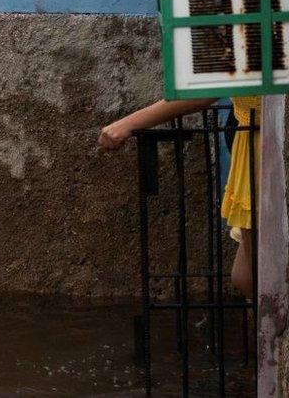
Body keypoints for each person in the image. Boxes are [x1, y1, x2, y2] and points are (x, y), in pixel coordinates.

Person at [99, 96, 259, 297]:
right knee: (247, 275)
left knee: (253, 274)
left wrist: (128, 123)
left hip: (261, 150)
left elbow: (205, 89)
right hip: (251, 147)